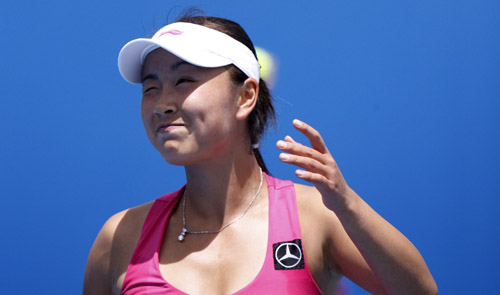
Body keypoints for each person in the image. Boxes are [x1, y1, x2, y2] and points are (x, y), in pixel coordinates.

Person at [83, 13, 437, 295]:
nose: (161, 105)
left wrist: (346, 205)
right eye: (151, 87)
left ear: (246, 96)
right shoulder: (118, 236)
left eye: (184, 81)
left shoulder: (317, 216)